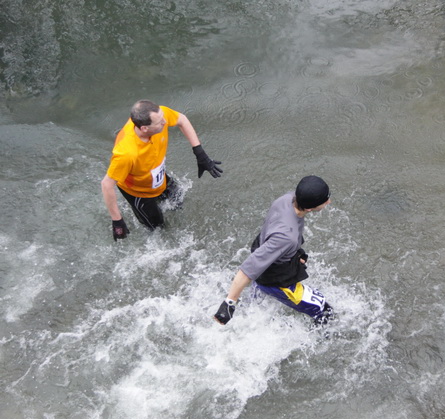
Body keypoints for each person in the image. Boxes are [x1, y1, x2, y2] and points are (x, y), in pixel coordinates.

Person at [214, 175, 334, 326]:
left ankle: (256, 298)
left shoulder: (287, 199)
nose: (329, 202)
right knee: (325, 311)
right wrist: (229, 303)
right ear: (309, 208)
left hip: (265, 248)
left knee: (255, 303)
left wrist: (294, 254)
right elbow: (248, 269)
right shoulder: (286, 238)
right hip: (275, 278)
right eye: (325, 200)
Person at [101, 100, 222, 240]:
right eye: (160, 122)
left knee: (178, 199)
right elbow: (107, 184)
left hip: (156, 175)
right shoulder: (126, 153)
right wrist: (117, 221)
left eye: (163, 117)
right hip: (139, 192)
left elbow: (182, 119)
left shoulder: (159, 115)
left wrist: (200, 154)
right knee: (158, 229)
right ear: (144, 128)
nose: (165, 122)